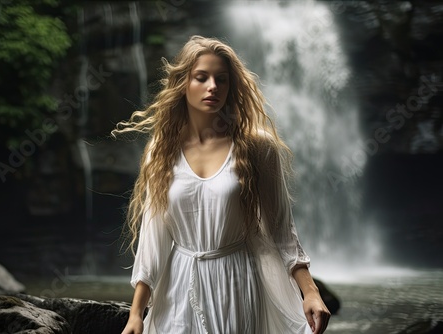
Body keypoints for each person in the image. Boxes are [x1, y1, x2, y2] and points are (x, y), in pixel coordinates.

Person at [112, 35, 330, 334]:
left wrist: (311, 292)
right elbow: (154, 239)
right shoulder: (161, 151)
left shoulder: (258, 147)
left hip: (237, 282)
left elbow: (282, 231)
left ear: (232, 86)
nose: (212, 86)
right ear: (183, 84)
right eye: (201, 77)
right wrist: (136, 314)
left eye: (222, 79)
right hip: (178, 284)